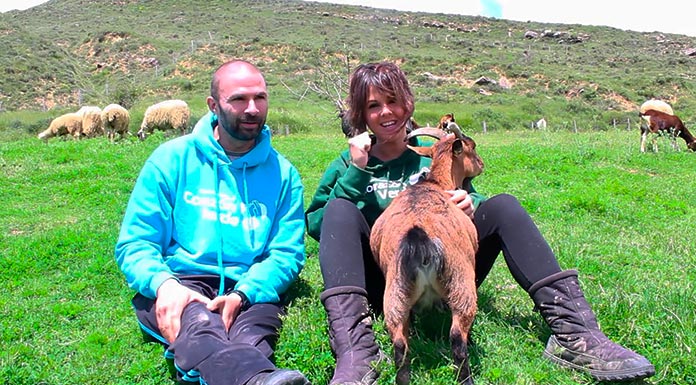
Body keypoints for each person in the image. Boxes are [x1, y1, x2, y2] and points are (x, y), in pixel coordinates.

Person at [305, 61, 655, 384]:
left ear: (408, 103)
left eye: (393, 101)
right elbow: (320, 226)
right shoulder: (350, 161)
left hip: (449, 269)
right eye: (373, 106)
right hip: (387, 281)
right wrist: (356, 170)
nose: (386, 112)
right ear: (361, 114)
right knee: (338, 209)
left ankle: (576, 334)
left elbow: (474, 203)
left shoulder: (432, 154)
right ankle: (357, 350)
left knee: (503, 206)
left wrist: (470, 202)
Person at [115, 60, 310, 385]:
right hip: (182, 281)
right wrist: (165, 285)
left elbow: (286, 253)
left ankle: (224, 371)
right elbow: (136, 243)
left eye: (259, 98)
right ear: (213, 105)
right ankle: (257, 379)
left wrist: (243, 294)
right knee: (197, 322)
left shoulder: (284, 174)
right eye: (238, 99)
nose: (252, 109)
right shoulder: (171, 160)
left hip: (248, 285)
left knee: (250, 337)